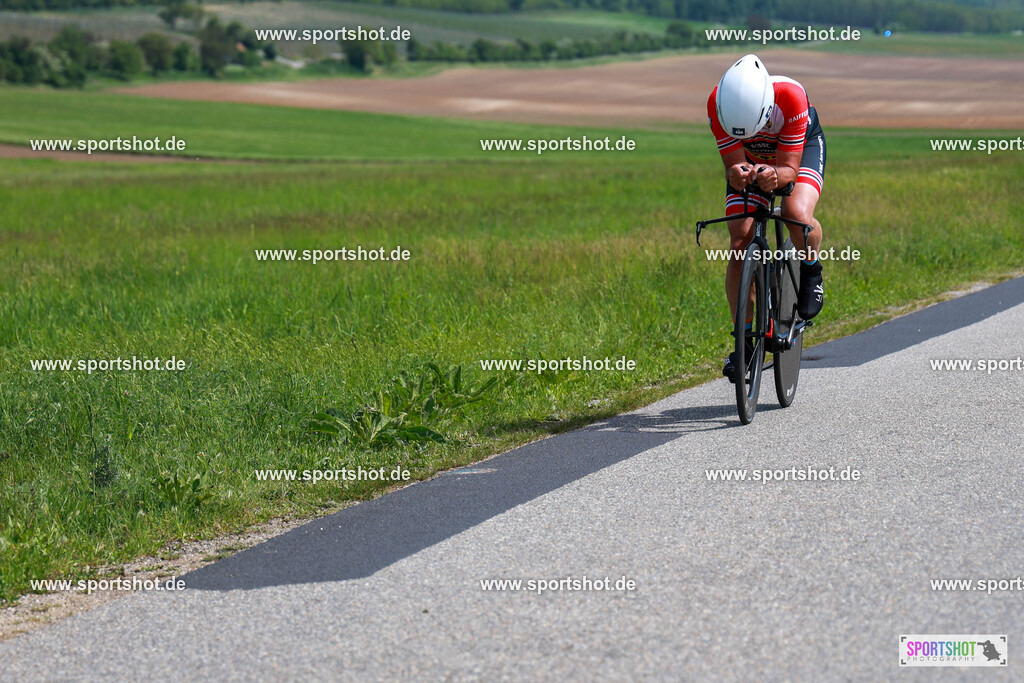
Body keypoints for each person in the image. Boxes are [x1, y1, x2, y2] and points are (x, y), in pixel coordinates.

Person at [707, 54, 827, 382]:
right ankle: (744, 342)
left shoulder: (790, 97)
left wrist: (776, 174)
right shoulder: (717, 103)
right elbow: (732, 166)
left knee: (795, 214)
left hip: (797, 152)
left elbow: (789, 171)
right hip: (752, 159)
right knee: (739, 241)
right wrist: (737, 171)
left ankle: (812, 269)